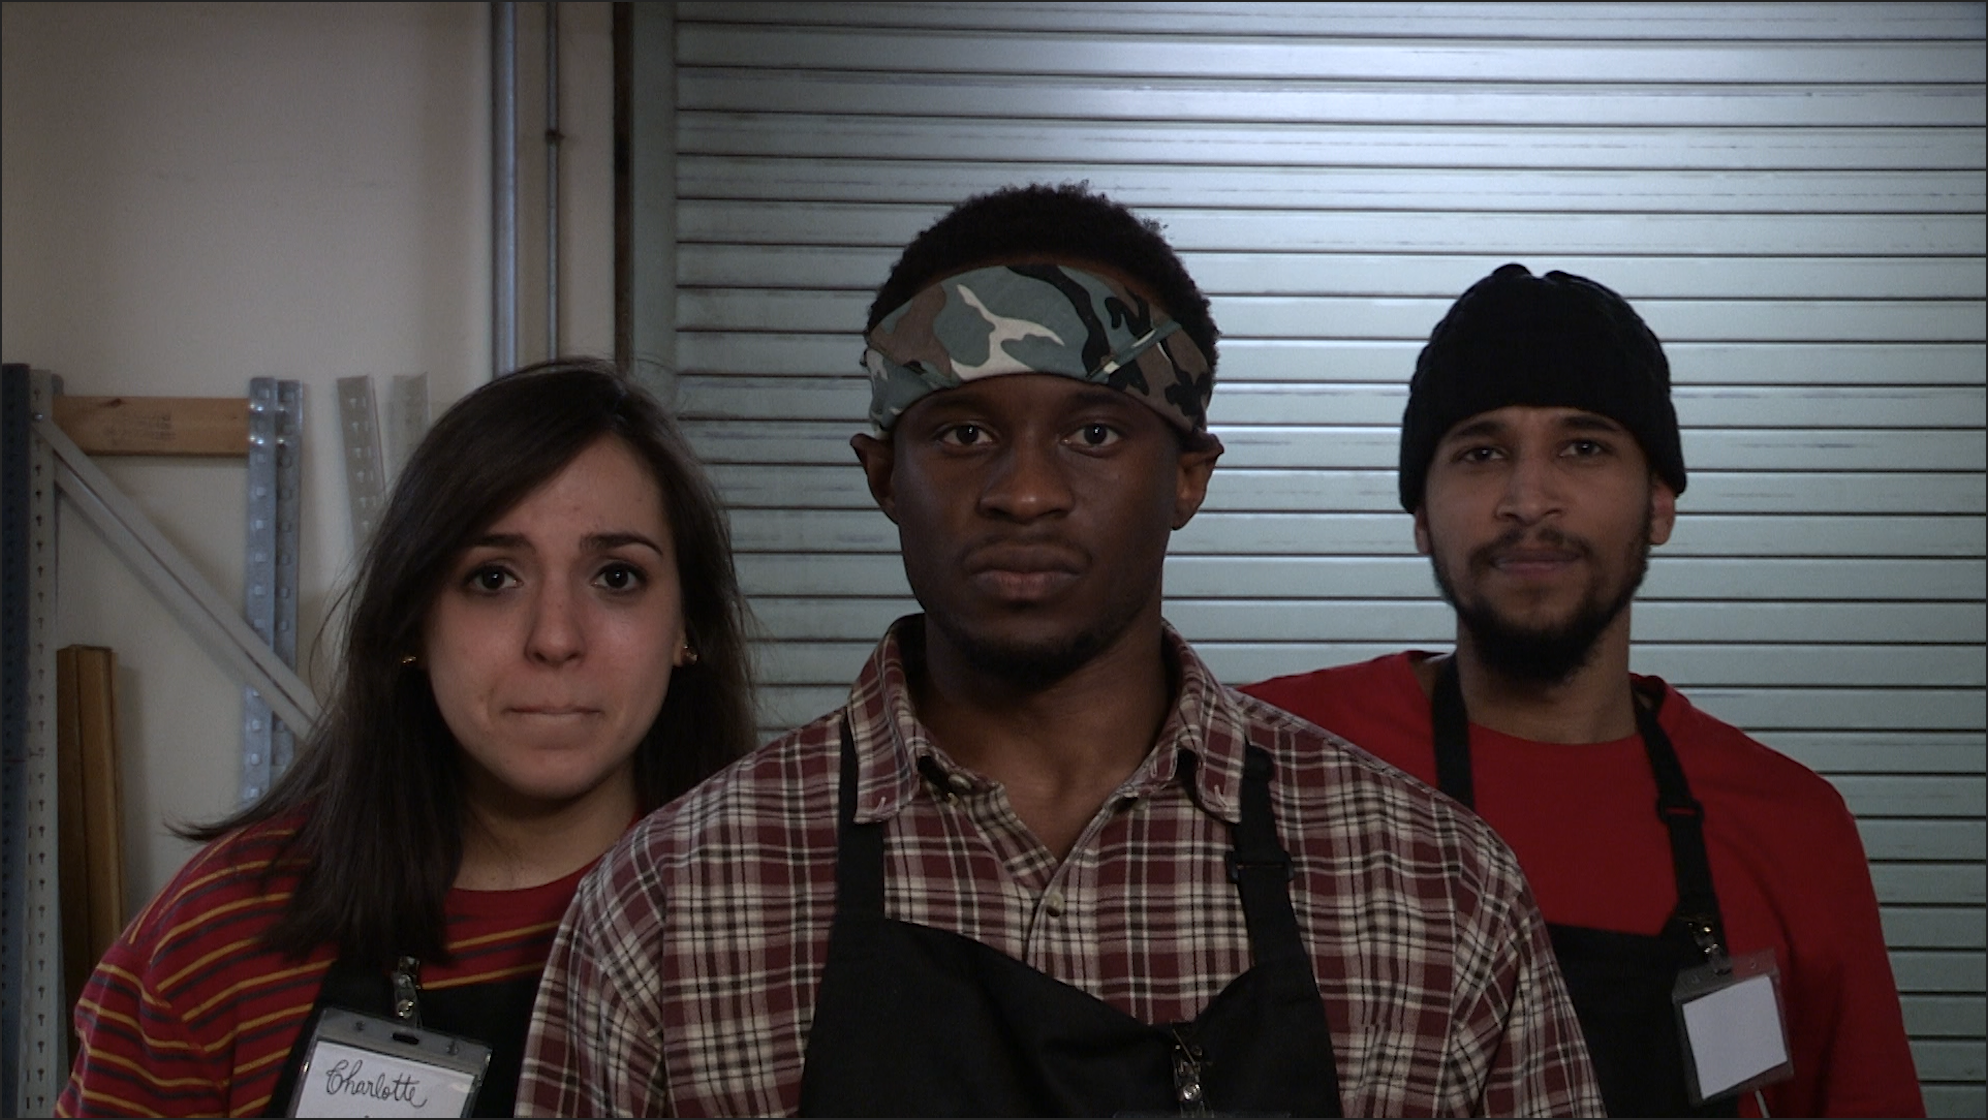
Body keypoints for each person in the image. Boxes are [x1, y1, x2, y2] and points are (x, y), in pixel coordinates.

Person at [518, 185, 1603, 1117]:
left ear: (1188, 474)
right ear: (879, 472)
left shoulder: (1429, 888)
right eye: (960, 432)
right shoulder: (673, 900)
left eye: (1092, 432)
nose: (1024, 491)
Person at [1243, 264, 1924, 1118]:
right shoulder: (1261, 753)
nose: (1530, 500)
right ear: (1421, 512)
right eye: (1482, 452)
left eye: (1585, 447)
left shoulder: (1792, 827)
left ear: (1660, 503)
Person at [56, 359, 757, 1118]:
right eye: (493, 579)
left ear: (688, 627)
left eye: (617, 577)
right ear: (411, 624)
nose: (556, 638)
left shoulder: (784, 923)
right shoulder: (217, 937)